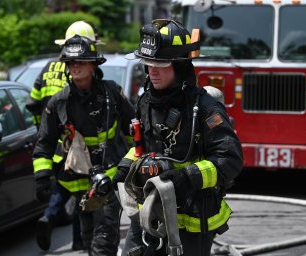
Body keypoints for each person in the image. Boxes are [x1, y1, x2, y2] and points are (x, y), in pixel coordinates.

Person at [112, 19, 243, 256]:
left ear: (180, 66)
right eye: (148, 63)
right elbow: (142, 147)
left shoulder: (205, 109)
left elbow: (229, 159)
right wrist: (123, 168)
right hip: (151, 213)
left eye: (161, 64)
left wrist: (186, 177)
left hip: (191, 221)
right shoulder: (146, 102)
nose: (152, 70)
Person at [32, 34, 135, 255]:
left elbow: (134, 131)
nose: (75, 66)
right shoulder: (58, 102)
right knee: (88, 240)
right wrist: (42, 178)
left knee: (104, 240)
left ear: (93, 64)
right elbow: (44, 144)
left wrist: (136, 164)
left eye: (80, 61)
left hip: (111, 177)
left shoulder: (112, 93)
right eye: (70, 62)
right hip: (79, 183)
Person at [25, 21, 100, 251]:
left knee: (63, 187)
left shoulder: (48, 67)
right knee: (80, 192)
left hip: (55, 140)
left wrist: (41, 127)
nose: (74, 66)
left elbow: (32, 102)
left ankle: (50, 217)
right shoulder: (84, 81)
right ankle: (79, 240)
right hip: (77, 143)